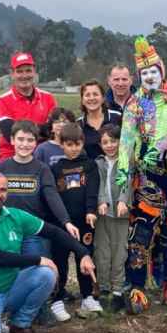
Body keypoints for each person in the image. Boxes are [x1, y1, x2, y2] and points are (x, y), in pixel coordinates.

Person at [0, 172, 95, 333]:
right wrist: (38, 259)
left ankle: (19, 324)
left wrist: (83, 252)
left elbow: (53, 232)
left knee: (46, 274)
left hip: (12, 288)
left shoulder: (14, 216)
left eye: (3, 190)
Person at [116, 36, 167, 313]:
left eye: (153, 71)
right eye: (144, 73)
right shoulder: (135, 102)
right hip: (144, 176)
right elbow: (126, 138)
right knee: (141, 231)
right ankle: (136, 285)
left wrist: (159, 147)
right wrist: (124, 167)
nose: (149, 76)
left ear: (163, 71)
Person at [48, 123, 102, 320]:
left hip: (84, 221)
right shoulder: (55, 168)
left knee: (85, 257)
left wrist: (91, 210)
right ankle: (57, 298)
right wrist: (59, 221)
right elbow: (52, 196)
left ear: (83, 143)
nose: (74, 148)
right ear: (61, 144)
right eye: (69, 144)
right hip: (62, 224)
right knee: (60, 260)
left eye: (77, 144)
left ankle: (87, 296)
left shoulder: (89, 165)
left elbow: (92, 190)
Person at [0, 120, 78, 237]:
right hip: (7, 229)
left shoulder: (42, 169)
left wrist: (66, 221)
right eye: (20, 139)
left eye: (30, 140)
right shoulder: (2, 167)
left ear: (36, 143)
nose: (25, 144)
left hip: (34, 230)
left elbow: (52, 196)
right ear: (12, 140)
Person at [94, 124, 130, 313]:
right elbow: (98, 183)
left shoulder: (125, 160)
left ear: (119, 142)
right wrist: (101, 201)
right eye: (105, 142)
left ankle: (117, 291)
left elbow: (127, 182)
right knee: (102, 251)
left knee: (119, 252)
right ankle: (104, 286)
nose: (109, 145)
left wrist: (123, 201)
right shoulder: (99, 162)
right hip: (102, 214)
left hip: (120, 214)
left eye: (113, 141)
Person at [0, 51, 58, 161]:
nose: (24, 76)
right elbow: (9, 132)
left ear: (34, 72)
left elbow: (53, 131)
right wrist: (42, 129)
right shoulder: (3, 100)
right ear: (12, 74)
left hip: (42, 158)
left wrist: (20, 129)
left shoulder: (48, 98)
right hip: (11, 158)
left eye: (28, 70)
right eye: (19, 71)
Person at [77, 80, 123, 160]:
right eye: (87, 95)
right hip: (91, 171)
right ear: (82, 100)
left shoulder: (118, 117)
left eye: (95, 94)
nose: (91, 98)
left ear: (103, 98)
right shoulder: (78, 125)